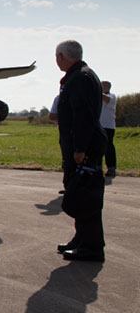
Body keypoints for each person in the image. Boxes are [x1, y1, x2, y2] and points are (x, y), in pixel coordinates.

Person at [55, 39, 107, 262]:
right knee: (78, 192)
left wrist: (79, 148)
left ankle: (92, 247)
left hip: (84, 146)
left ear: (62, 57)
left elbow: (82, 115)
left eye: (57, 57)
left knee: (86, 196)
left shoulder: (80, 78)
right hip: (81, 144)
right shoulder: (81, 75)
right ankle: (82, 238)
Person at [100, 81, 117, 178]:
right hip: (99, 125)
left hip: (108, 126)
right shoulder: (97, 97)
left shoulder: (112, 96)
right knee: (97, 147)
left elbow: (107, 100)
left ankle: (111, 168)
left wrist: (97, 91)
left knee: (108, 147)